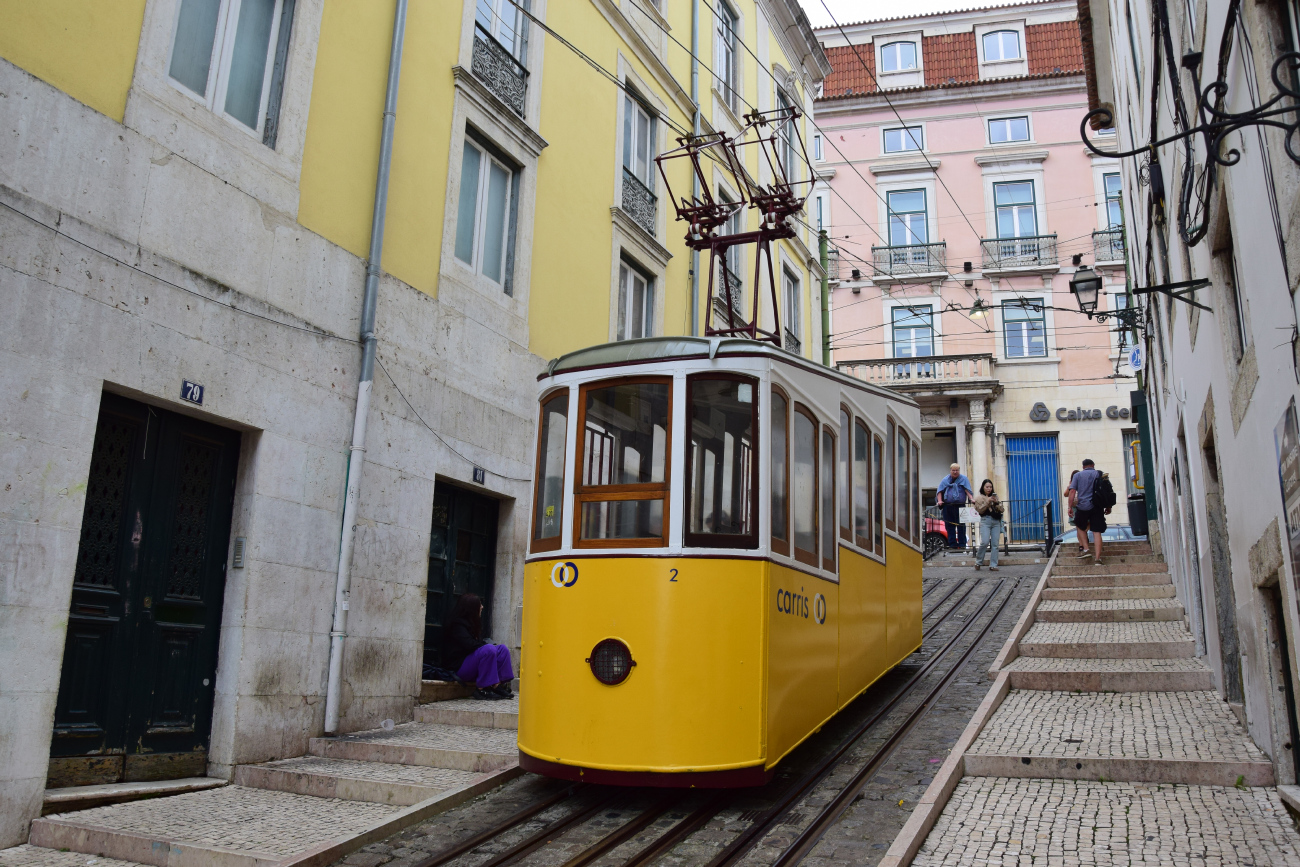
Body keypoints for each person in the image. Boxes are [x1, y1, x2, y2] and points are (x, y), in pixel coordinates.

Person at [442, 593, 515, 700]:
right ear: (471, 608)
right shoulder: (457, 625)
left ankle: (497, 684)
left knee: (502, 649)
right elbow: (469, 645)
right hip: (459, 668)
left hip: (472, 663)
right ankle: (482, 689)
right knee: (489, 649)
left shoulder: (472, 624)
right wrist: (487, 646)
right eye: (479, 605)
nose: (482, 607)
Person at [1068, 459, 1111, 565]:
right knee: (1097, 532)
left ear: (1083, 467)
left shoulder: (1077, 475)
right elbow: (1108, 491)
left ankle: (1086, 549)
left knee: (1080, 526)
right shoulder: (1100, 474)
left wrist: (1070, 507)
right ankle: (1098, 558)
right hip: (1097, 506)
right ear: (1093, 465)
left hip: (1082, 506)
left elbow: (1072, 491)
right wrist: (1108, 506)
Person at [936, 463, 975, 550]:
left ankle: (962, 544)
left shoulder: (964, 479)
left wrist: (971, 498)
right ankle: (952, 545)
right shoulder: (945, 480)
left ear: (959, 471)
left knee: (961, 525)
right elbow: (940, 491)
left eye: (957, 470)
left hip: (960, 505)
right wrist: (940, 501)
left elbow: (967, 489)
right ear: (950, 471)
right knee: (949, 526)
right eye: (953, 470)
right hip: (948, 506)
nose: (955, 472)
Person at [972, 479, 1003, 571]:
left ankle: (993, 564)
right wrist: (987, 502)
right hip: (985, 520)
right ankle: (978, 561)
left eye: (990, 487)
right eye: (987, 487)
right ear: (983, 487)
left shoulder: (995, 497)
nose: (989, 489)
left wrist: (996, 503)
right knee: (984, 542)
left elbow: (1002, 509)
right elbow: (979, 510)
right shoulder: (979, 498)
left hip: (996, 521)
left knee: (995, 544)